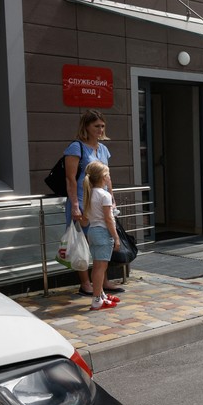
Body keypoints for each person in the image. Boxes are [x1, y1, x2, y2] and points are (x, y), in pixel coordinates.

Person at [63, 110, 123, 298]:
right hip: (81, 202)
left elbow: (108, 177)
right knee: (82, 243)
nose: (100, 129)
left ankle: (102, 282)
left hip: (100, 203)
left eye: (102, 126)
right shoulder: (76, 147)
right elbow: (71, 179)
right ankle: (85, 283)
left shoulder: (103, 149)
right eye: (96, 126)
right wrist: (74, 205)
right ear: (86, 126)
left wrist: (111, 198)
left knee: (102, 242)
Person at [80, 162, 121, 311]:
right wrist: (116, 237)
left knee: (97, 266)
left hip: (92, 231)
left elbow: (85, 220)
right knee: (101, 267)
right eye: (108, 174)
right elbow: (109, 219)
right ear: (104, 177)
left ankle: (100, 294)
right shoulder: (104, 195)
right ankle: (97, 299)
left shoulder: (89, 194)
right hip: (103, 233)